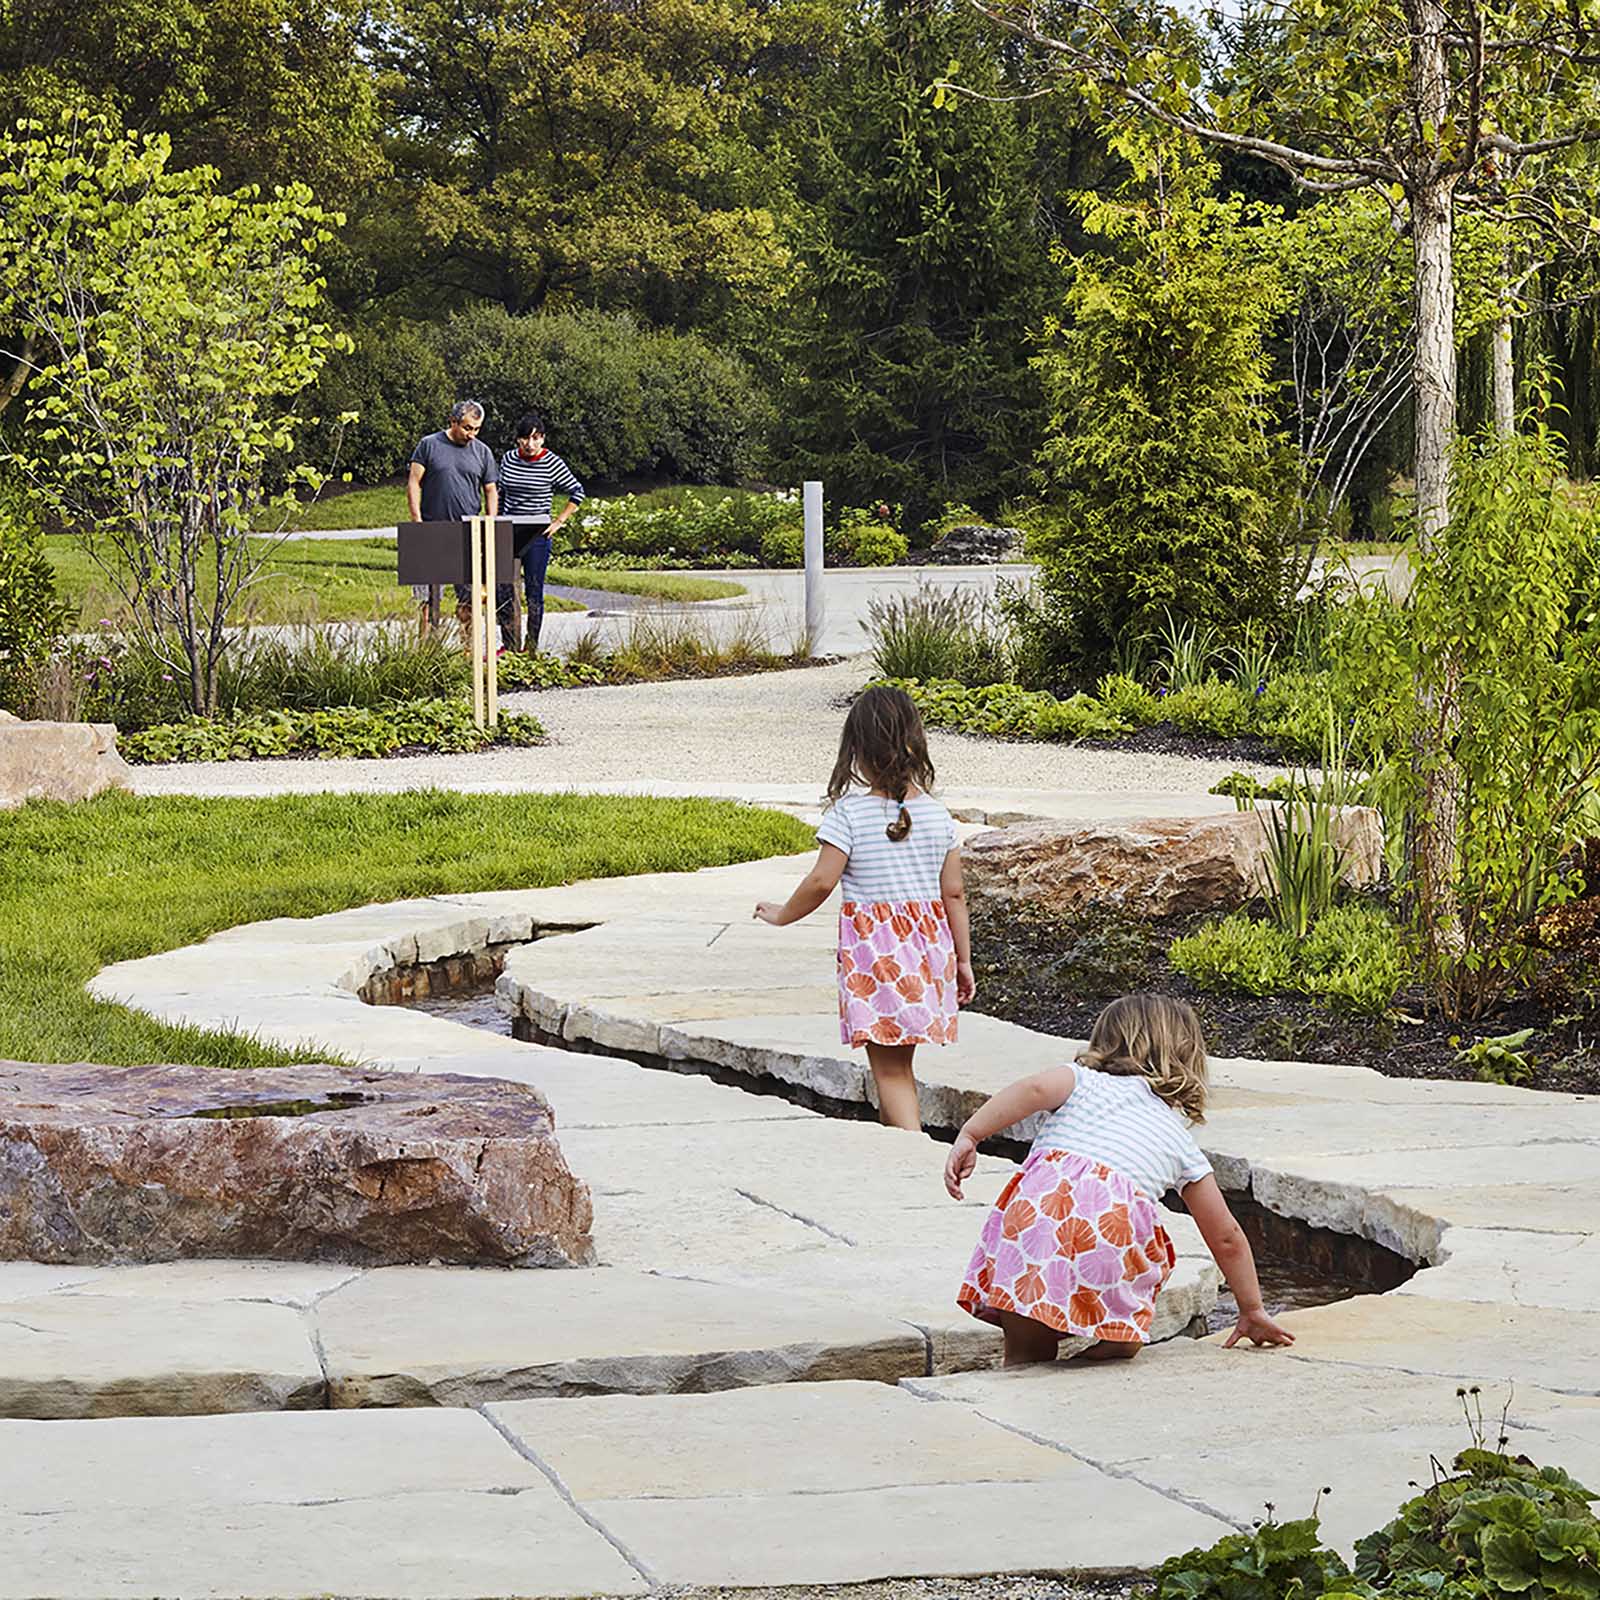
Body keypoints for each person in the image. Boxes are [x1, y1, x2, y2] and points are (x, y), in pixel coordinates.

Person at [946, 993, 1296, 1367]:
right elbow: (1226, 1236)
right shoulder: (1178, 1139)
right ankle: (1116, 1345)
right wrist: (1252, 1308)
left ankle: (1025, 1366)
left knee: (1026, 1348)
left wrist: (971, 1134)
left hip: (1037, 1226)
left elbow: (1033, 1090)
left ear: (1105, 1042)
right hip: (1110, 1239)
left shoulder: (1080, 1081)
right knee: (1123, 1329)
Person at [754, 685, 974, 1131]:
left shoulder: (850, 815)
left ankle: (910, 1155)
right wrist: (964, 960)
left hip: (879, 956)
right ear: (916, 742)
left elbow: (821, 880)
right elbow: (954, 894)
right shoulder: (937, 815)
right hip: (927, 953)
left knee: (888, 1069)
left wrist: (781, 915)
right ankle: (892, 1144)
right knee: (897, 1065)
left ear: (856, 749)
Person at [494, 411, 586, 653]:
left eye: (535, 438)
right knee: (504, 590)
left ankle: (531, 646)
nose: (530, 444)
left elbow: (577, 492)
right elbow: (501, 492)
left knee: (534, 591)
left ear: (543, 439)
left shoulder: (552, 463)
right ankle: (510, 645)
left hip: (538, 535)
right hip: (509, 532)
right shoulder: (508, 459)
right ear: (517, 440)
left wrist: (559, 521)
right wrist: (498, 520)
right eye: (525, 438)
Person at [407, 400, 498, 636]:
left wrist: (490, 522)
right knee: (428, 601)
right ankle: (427, 651)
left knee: (470, 599)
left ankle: (468, 651)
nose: (472, 434)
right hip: (431, 531)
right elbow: (414, 482)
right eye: (468, 428)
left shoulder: (482, 452)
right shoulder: (429, 445)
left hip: (468, 534)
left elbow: (490, 490)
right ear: (453, 422)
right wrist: (417, 521)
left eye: (477, 429)